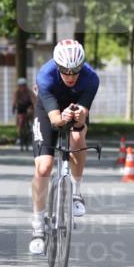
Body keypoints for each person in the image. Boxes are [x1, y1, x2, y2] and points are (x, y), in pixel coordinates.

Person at [28, 40, 100, 255]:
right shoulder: (45, 76)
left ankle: (76, 193)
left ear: (82, 67)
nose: (70, 76)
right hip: (49, 111)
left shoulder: (91, 79)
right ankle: (38, 226)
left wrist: (78, 118)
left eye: (75, 71)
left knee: (77, 138)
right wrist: (62, 117)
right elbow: (55, 120)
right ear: (57, 66)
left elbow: (82, 119)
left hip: (76, 107)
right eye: (65, 71)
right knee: (44, 167)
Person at [12, 77, 35, 144]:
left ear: (25, 85)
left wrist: (34, 107)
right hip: (21, 107)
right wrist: (13, 107)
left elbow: (33, 101)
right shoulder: (16, 92)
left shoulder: (29, 92)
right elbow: (14, 101)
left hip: (28, 106)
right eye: (20, 86)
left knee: (30, 112)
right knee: (19, 120)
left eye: (23, 85)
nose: (22, 87)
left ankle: (31, 126)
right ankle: (19, 136)